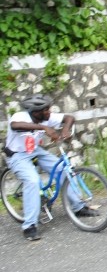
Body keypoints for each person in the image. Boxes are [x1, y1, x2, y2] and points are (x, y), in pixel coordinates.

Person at [3, 94, 98, 241]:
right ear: (36, 112)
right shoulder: (20, 116)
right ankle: (29, 226)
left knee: (63, 168)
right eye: (46, 110)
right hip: (17, 155)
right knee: (33, 181)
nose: (49, 112)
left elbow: (69, 118)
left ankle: (78, 207)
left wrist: (65, 129)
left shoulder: (46, 117)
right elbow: (14, 125)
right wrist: (43, 127)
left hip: (35, 150)